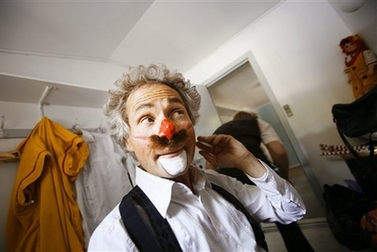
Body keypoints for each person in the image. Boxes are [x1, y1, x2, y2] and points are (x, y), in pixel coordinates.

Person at [88, 64, 306, 251]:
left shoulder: (222, 185)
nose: (168, 130)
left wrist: (246, 161)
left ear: (192, 123)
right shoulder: (114, 237)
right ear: (127, 140)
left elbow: (292, 210)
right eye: (147, 118)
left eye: (177, 112)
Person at [207, 110, 314, 252]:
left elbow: (210, 165)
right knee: (286, 220)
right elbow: (279, 152)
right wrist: (285, 176)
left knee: (249, 229)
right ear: (251, 118)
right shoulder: (257, 122)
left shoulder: (219, 131)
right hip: (257, 172)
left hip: (230, 179)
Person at [339, 35, 377, 99]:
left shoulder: (364, 53)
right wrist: (349, 77)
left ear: (357, 43)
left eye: (351, 44)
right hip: (356, 79)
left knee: (369, 89)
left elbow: (371, 60)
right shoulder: (348, 59)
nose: (350, 47)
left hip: (366, 75)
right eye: (346, 47)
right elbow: (348, 69)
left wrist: (371, 69)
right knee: (359, 93)